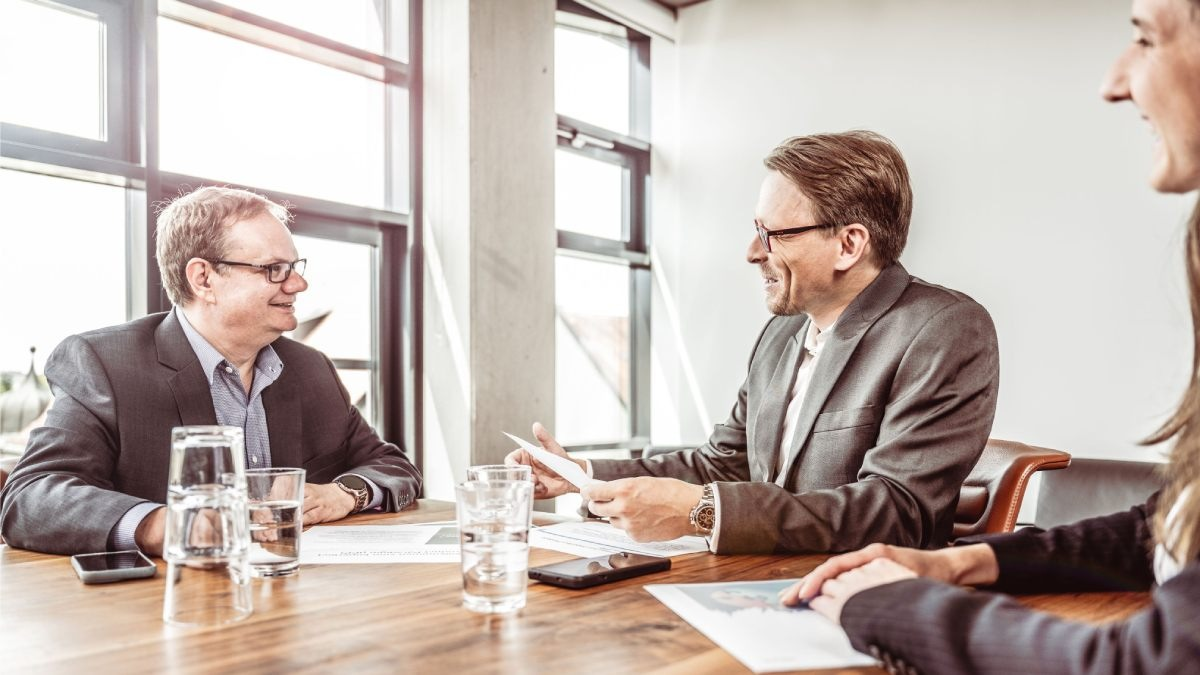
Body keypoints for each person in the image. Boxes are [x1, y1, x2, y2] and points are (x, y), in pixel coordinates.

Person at [779, 0, 1200, 671]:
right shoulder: (777, 341)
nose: (1113, 82)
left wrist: (893, 607)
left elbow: (1153, 662)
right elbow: (1169, 527)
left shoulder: (944, 326)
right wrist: (963, 562)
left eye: (1145, 38)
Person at [509, 131, 1001, 554]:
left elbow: (896, 511)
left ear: (849, 244)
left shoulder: (944, 329)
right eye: (755, 231)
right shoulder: (782, 332)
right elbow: (722, 462)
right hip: (758, 580)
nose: (751, 253)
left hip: (865, 603)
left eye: (774, 234)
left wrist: (702, 512)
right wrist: (583, 472)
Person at [0, 186, 422, 557]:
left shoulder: (310, 369)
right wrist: (166, 526)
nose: (297, 285)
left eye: (296, 267)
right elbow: (29, 498)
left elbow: (393, 466)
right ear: (203, 279)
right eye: (274, 269)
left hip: (296, 610)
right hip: (160, 617)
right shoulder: (103, 363)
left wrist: (344, 494)